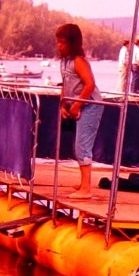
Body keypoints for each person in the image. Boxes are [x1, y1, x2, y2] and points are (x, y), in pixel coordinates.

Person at [56, 23, 103, 200]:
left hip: (90, 104)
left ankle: (86, 189)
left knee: (82, 145)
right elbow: (66, 86)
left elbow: (89, 84)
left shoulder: (78, 61)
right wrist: (63, 105)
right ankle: (84, 183)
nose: (59, 45)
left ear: (73, 43)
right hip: (78, 103)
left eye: (62, 42)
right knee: (78, 145)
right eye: (57, 42)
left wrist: (77, 105)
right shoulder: (64, 62)